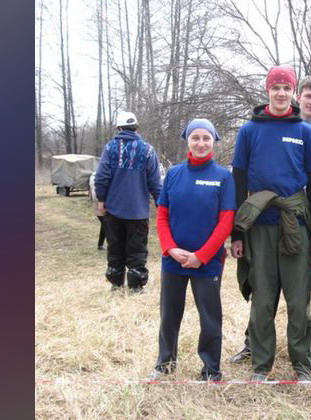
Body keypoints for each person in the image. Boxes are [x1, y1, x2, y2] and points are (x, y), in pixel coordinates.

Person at [229, 75, 311, 364]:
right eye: (275, 87)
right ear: (267, 90)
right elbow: (238, 181)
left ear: (293, 92)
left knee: (299, 299)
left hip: (295, 223)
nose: (280, 93)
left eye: (286, 88)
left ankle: (302, 363)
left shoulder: (303, 131)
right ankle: (261, 363)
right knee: (263, 298)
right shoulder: (249, 130)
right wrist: (237, 234)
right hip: (260, 223)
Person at [148, 119, 235, 382]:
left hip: (207, 262)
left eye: (206, 138)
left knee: (210, 318)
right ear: (187, 140)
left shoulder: (223, 177)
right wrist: (170, 248)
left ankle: (211, 369)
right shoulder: (174, 174)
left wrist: (201, 256)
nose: (200, 143)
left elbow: (226, 221)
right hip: (173, 260)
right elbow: (162, 215)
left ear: (213, 141)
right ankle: (165, 363)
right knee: (169, 315)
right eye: (195, 137)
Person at [94, 111, 161, 293]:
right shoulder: (148, 150)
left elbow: (101, 177)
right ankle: (136, 287)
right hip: (138, 212)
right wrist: (160, 204)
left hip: (113, 209)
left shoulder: (110, 148)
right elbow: (155, 182)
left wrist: (101, 199)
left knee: (115, 248)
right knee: (137, 249)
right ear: (136, 127)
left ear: (119, 128)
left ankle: (116, 284)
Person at [89, 171, 106, 250]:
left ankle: (100, 244)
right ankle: (103, 244)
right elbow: (96, 194)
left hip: (97, 204)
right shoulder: (98, 178)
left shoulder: (93, 177)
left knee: (105, 225)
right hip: (99, 204)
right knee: (106, 225)